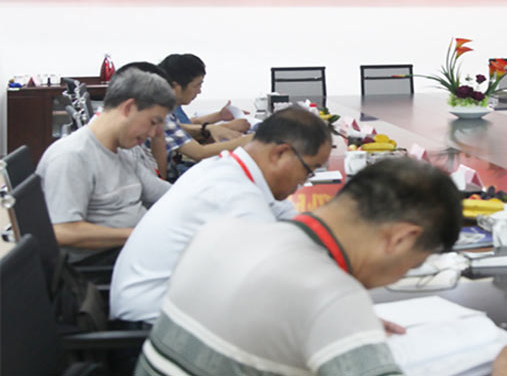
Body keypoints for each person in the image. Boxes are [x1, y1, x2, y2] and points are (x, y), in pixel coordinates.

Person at [135, 158, 507, 376]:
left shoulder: (224, 231)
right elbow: (313, 301)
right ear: (400, 238)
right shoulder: (329, 297)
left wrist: (325, 327)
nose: (401, 276)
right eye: (415, 264)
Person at [110, 106, 332, 324]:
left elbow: (292, 223)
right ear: (280, 153)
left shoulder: (230, 169)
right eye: (308, 170)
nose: (303, 181)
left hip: (168, 308)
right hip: (152, 325)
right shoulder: (232, 193)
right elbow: (278, 273)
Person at [36, 69, 176, 265]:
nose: (153, 133)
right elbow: (62, 231)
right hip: (102, 263)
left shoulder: (123, 150)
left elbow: (162, 192)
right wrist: (140, 234)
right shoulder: (72, 156)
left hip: (132, 250)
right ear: (129, 108)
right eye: (152, 122)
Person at [157, 53, 254, 180]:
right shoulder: (160, 114)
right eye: (196, 85)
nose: (199, 91)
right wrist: (251, 140)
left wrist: (210, 127)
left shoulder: (164, 110)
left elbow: (179, 127)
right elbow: (199, 153)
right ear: (175, 87)